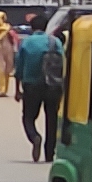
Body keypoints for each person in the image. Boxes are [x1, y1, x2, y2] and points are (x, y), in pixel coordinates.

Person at [18, 17, 66, 161]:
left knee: (28, 117)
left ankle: (35, 137)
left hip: (31, 85)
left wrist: (17, 89)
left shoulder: (26, 42)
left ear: (32, 28)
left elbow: (19, 67)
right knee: (51, 119)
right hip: (53, 85)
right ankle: (49, 154)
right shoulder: (55, 42)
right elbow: (63, 63)